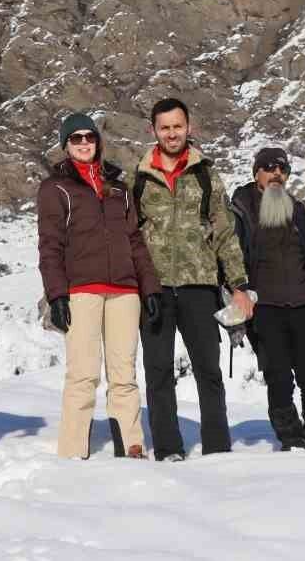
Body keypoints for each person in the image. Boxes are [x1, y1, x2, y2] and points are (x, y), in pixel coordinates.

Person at [37, 112, 163, 460]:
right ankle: (73, 451)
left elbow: (135, 241)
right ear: (66, 145)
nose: (83, 143)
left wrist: (150, 288)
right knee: (83, 374)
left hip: (125, 291)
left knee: (124, 374)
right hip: (82, 291)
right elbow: (50, 246)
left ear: (98, 141)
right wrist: (56, 295)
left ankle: (131, 446)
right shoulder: (55, 188)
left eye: (89, 137)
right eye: (75, 138)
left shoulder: (119, 189)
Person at [134, 97, 252, 460]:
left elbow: (225, 233)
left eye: (177, 126)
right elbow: (129, 236)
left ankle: (217, 446)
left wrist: (239, 286)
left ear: (189, 127)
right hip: (154, 289)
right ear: (153, 130)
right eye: (165, 127)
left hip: (199, 286)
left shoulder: (206, 175)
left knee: (208, 369)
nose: (172, 133)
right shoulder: (139, 178)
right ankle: (168, 447)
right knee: (157, 371)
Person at [229, 146, 305, 452]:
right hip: (265, 309)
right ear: (256, 173)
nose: (277, 174)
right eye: (269, 168)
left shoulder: (297, 209)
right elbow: (231, 259)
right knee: (278, 375)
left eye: (283, 169)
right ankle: (290, 436)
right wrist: (235, 302)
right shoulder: (241, 209)